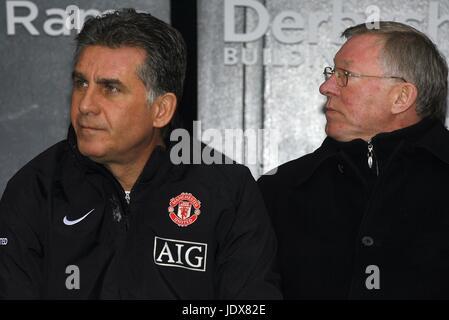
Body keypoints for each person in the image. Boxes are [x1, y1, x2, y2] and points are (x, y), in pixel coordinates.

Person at [0, 8, 281, 299]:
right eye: (81, 83)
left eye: (110, 88)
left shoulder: (226, 190)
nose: (85, 104)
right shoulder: (36, 188)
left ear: (161, 110)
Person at [258, 21, 449, 299]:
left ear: (401, 97)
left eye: (344, 75)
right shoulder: (280, 190)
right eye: (331, 73)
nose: (326, 87)